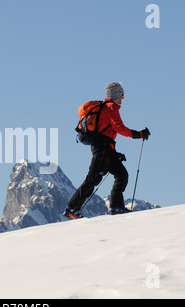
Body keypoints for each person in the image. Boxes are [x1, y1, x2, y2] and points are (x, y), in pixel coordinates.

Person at [64, 82, 150, 219]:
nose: (123, 98)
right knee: (93, 179)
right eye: (122, 95)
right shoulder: (111, 108)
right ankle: (72, 208)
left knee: (122, 175)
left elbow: (108, 133)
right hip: (102, 149)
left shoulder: (108, 108)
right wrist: (138, 134)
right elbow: (119, 128)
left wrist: (115, 154)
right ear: (117, 95)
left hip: (107, 148)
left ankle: (116, 208)